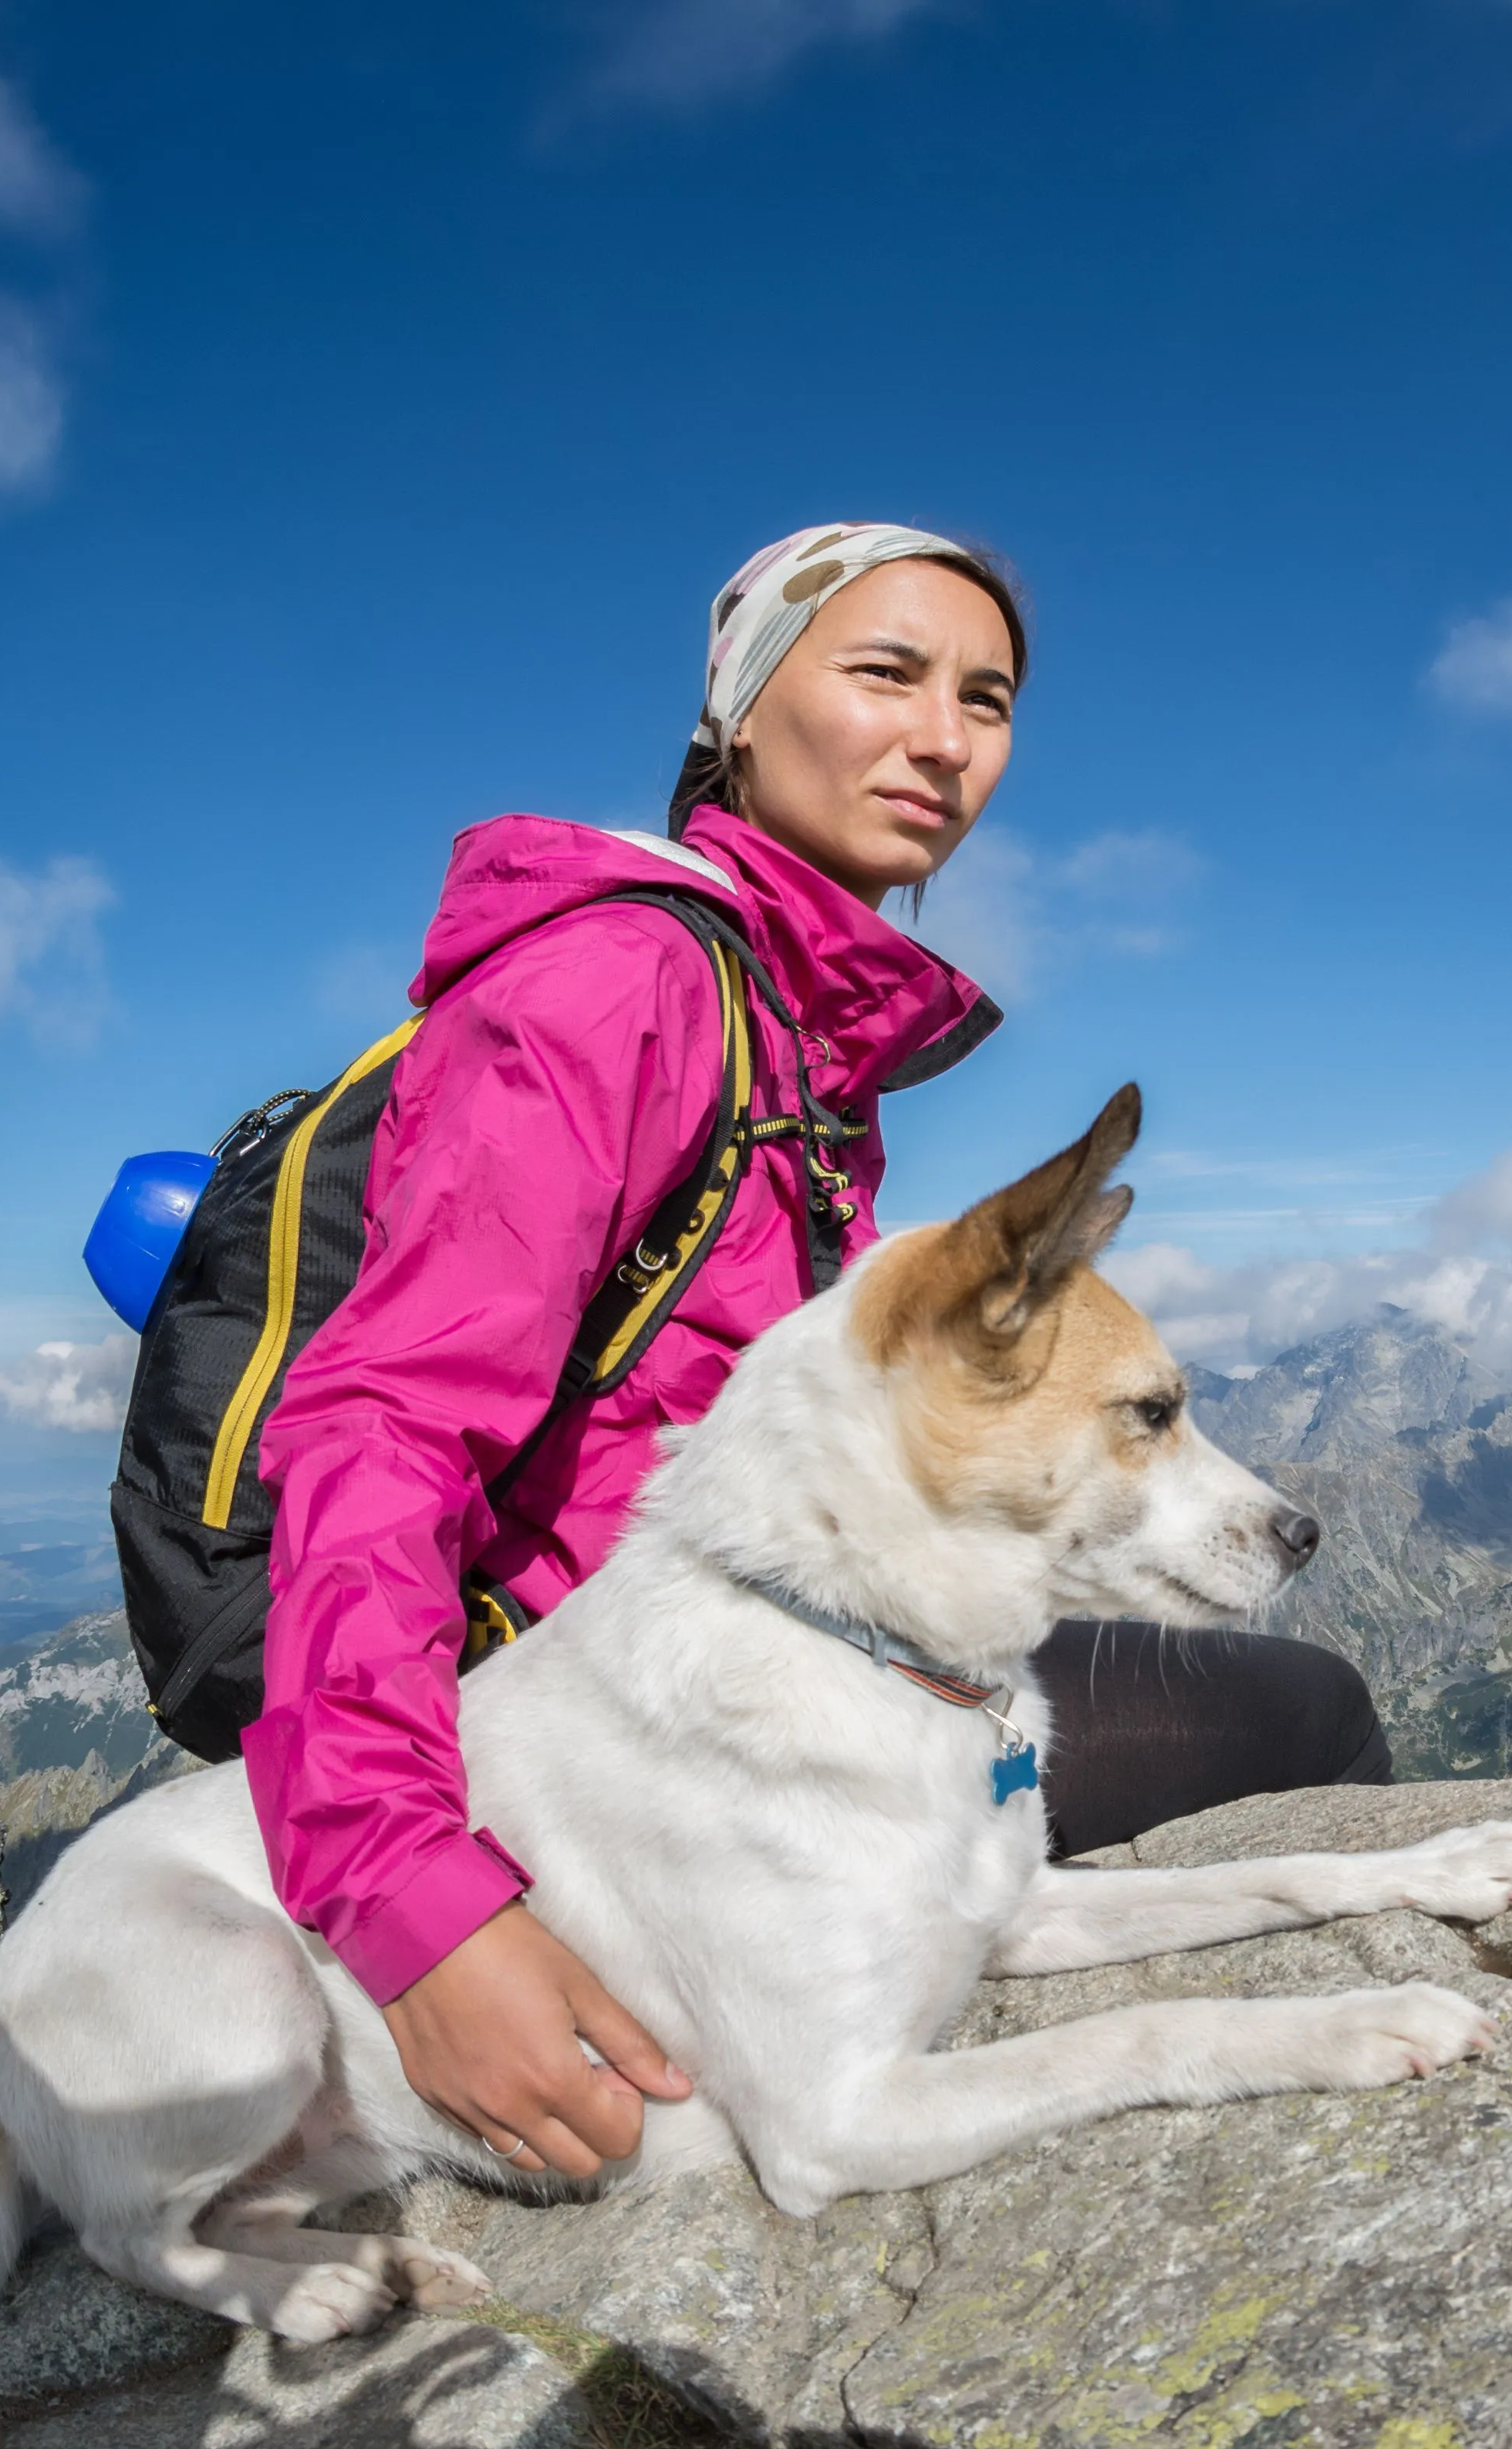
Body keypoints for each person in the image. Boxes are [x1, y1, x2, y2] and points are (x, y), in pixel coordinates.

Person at [246, 525, 1396, 2192]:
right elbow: (382, 1430)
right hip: (620, 1726)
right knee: (1310, 1710)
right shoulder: (611, 982)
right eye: (885, 672)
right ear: (738, 704)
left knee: (1249, 1715)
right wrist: (414, 1907)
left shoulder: (791, 1033)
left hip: (759, 1670)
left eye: (986, 699)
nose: (945, 737)